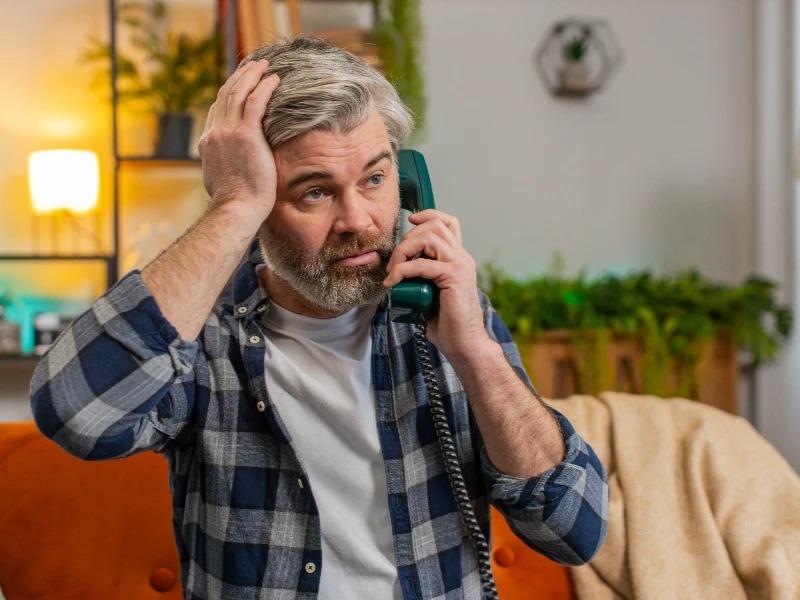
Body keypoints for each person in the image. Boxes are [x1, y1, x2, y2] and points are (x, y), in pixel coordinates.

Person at [30, 36, 608, 600]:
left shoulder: (448, 310)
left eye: (375, 179)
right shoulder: (204, 334)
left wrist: (475, 354)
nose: (358, 219)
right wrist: (230, 208)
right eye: (314, 192)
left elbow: (573, 531)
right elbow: (78, 414)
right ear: (258, 198)